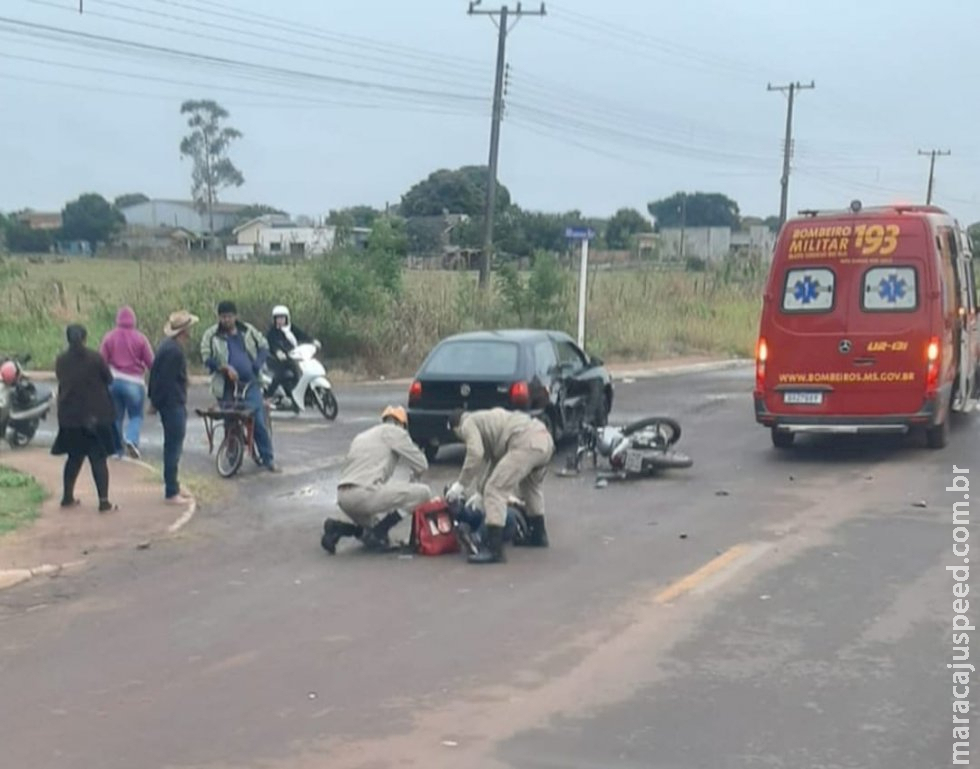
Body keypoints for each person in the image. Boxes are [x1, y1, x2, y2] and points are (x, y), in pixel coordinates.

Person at [445, 408, 554, 564]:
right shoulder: (488, 422)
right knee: (530, 488)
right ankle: (538, 535)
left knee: (495, 490)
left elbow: (475, 453)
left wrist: (460, 485)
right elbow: (496, 466)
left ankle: (494, 550)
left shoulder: (468, 423)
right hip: (543, 440)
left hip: (524, 442)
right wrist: (480, 492)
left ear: (456, 428)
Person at [322, 405, 432, 554]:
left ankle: (339, 528)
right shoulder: (396, 432)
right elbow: (422, 464)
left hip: (343, 497)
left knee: (372, 535)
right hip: (364, 494)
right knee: (424, 493)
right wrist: (414, 480)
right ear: (402, 424)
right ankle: (380, 530)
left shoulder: (362, 436)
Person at [200, 300, 279, 473]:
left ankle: (268, 459)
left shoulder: (248, 330)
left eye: (229, 316)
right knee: (231, 419)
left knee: (256, 420)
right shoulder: (211, 335)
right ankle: (232, 454)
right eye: (222, 317)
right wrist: (225, 368)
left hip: (250, 383)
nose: (226, 320)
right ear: (218, 317)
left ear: (236, 316)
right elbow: (206, 358)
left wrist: (258, 363)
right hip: (226, 386)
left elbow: (264, 346)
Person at [51, 324, 117, 512]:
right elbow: (108, 379)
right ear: (85, 338)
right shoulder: (96, 358)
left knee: (74, 457)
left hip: (70, 416)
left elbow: (61, 379)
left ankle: (67, 497)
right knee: (98, 458)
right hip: (95, 416)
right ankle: (103, 501)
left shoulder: (61, 360)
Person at [148, 310, 198, 504]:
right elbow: (164, 382)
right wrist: (156, 402)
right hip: (172, 404)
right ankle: (171, 491)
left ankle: (173, 487)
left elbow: (155, 376)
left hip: (169, 402)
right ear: (183, 331)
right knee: (173, 447)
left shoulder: (167, 347)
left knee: (172, 446)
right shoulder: (174, 352)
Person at [99, 305, 154, 460]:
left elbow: (101, 361)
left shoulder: (109, 337)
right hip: (134, 382)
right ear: (134, 321)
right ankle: (131, 439)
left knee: (116, 417)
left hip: (114, 380)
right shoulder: (140, 338)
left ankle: (117, 449)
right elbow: (151, 363)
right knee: (136, 415)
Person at [264, 304, 315, 412]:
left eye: (282, 318)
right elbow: (272, 344)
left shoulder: (291, 328)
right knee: (280, 375)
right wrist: (278, 352)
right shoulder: (272, 332)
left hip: (293, 357)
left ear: (287, 318)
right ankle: (268, 396)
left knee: (302, 371)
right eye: (278, 318)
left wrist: (312, 341)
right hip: (276, 360)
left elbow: (302, 335)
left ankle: (304, 395)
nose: (280, 320)